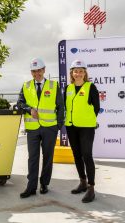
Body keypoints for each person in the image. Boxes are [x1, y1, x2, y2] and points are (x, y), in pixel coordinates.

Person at [17, 58, 64, 198]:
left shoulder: (53, 85)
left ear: (44, 70)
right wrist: (28, 109)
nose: (37, 73)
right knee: (33, 158)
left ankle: (44, 183)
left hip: (50, 128)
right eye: (34, 71)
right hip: (32, 128)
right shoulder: (26, 86)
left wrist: (58, 126)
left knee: (48, 157)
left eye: (39, 70)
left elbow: (61, 106)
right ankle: (31, 187)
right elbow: (20, 103)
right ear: (31, 72)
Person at [64, 59, 100, 203]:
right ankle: (82, 182)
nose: (78, 73)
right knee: (77, 155)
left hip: (86, 127)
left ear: (85, 73)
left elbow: (96, 107)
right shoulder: (68, 88)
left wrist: (88, 120)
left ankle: (91, 188)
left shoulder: (91, 87)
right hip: (71, 126)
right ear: (72, 73)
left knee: (87, 155)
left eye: (81, 71)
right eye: (75, 71)